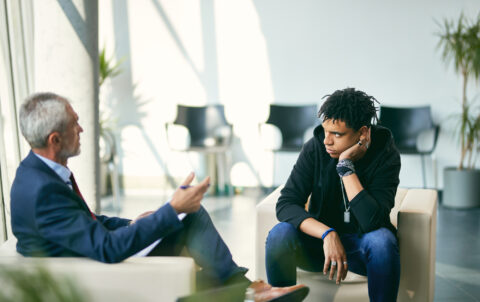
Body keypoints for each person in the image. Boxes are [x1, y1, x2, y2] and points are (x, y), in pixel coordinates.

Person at [10, 92, 309, 302]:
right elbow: (106, 249)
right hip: (96, 263)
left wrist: (133, 222)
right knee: (188, 215)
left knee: (187, 219)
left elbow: (88, 221)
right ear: (55, 139)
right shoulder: (42, 191)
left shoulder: (41, 174)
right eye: (75, 123)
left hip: (88, 251)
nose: (82, 128)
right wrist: (170, 210)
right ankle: (247, 291)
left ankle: (244, 291)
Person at [265, 88, 401, 302]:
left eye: (337, 134)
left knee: (382, 241)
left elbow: (372, 221)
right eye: (325, 130)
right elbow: (287, 203)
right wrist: (327, 233)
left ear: (363, 133)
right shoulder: (316, 148)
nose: (327, 141)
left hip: (361, 246)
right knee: (279, 234)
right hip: (319, 246)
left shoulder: (385, 154)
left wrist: (346, 167)